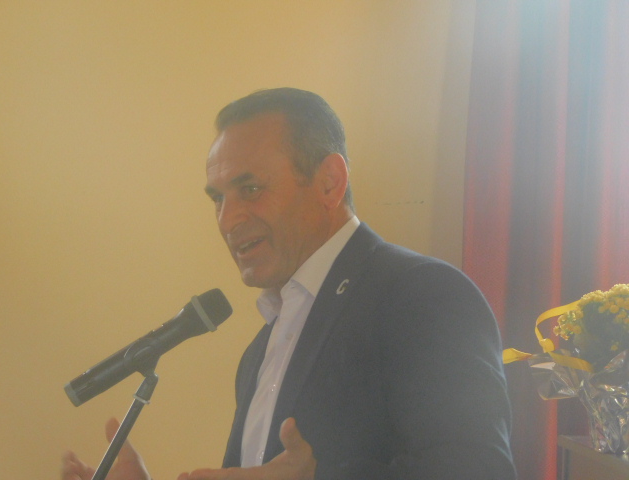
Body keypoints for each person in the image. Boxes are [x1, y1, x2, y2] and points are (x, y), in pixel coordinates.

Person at [62, 88, 516, 480]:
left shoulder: (423, 295)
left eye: (250, 189)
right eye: (218, 198)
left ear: (329, 182)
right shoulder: (261, 349)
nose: (228, 220)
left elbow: (478, 471)